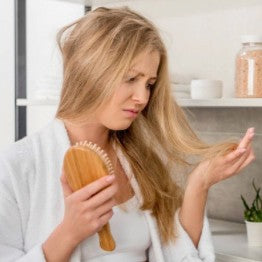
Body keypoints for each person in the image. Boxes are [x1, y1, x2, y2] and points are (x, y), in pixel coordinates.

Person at [0, 6, 255, 262]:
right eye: (131, 78)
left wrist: (199, 183)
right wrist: (69, 233)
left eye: (149, 84)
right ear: (90, 72)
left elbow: (176, 253)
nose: (142, 97)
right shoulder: (16, 167)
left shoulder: (143, 161)